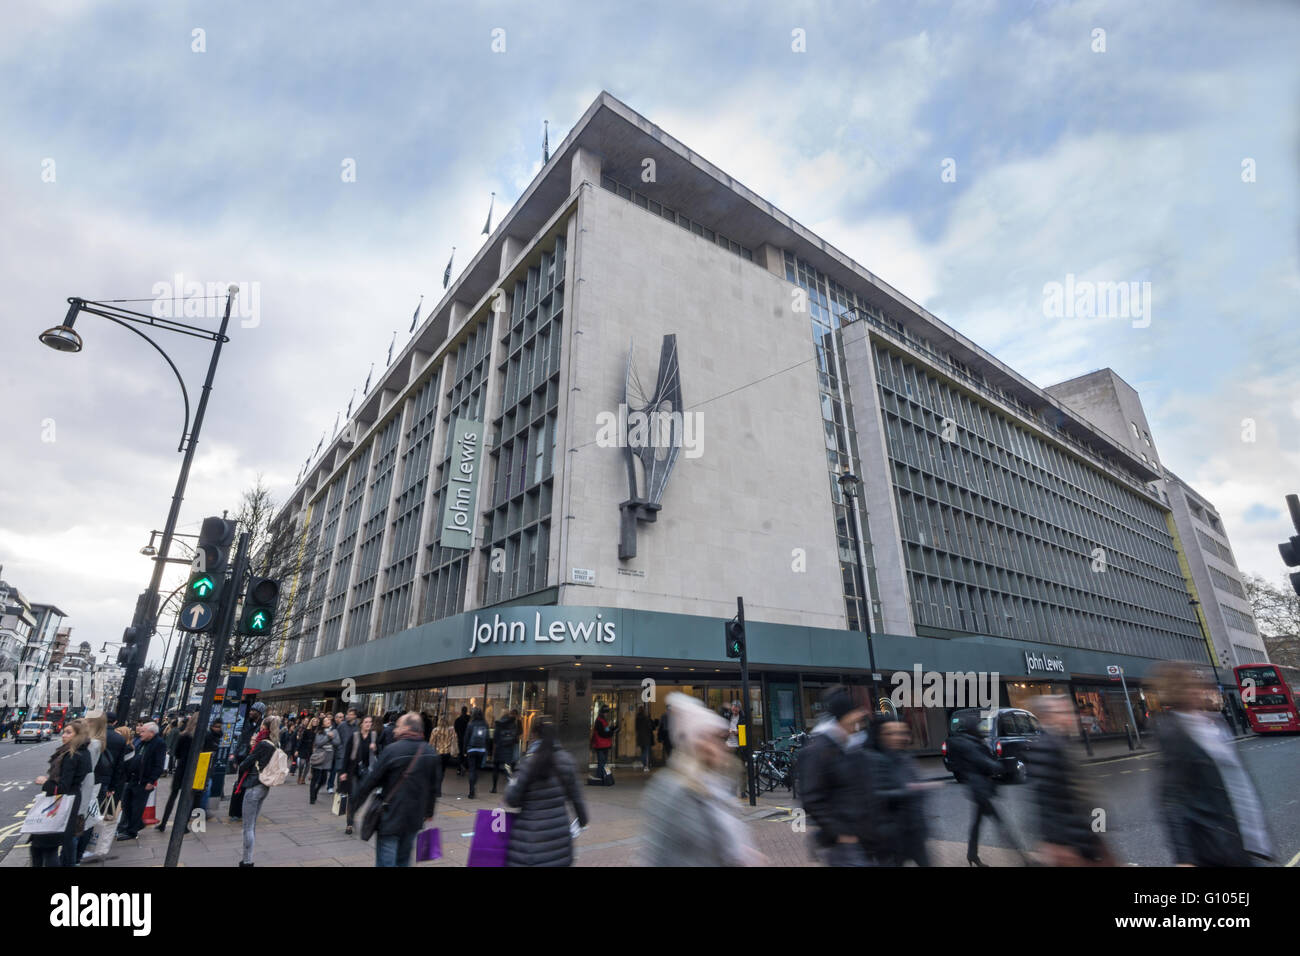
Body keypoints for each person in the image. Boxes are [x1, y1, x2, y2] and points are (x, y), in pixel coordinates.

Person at [1152, 661, 1273, 866]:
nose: (1200, 688)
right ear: (1178, 690)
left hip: (1245, 840)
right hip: (1217, 846)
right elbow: (1171, 799)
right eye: (1191, 684)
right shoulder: (1173, 733)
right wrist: (1184, 858)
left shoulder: (1215, 721)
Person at [640, 693, 760, 866]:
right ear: (695, 744)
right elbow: (658, 854)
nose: (719, 745)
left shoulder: (717, 782)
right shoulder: (673, 789)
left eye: (719, 738)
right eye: (710, 737)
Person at [798, 686, 880, 865]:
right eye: (854, 715)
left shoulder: (850, 746)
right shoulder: (820, 750)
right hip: (844, 845)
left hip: (863, 838)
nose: (858, 720)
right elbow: (811, 798)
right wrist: (840, 834)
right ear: (843, 717)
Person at [1029, 695, 1112, 866]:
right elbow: (1049, 802)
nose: (1071, 716)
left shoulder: (1059, 743)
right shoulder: (1051, 747)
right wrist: (1057, 843)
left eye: (1070, 711)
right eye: (1062, 712)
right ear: (1047, 716)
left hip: (1078, 836)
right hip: (1073, 841)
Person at [354, 712, 439, 867]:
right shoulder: (430, 752)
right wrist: (429, 812)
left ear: (407, 727)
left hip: (390, 817)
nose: (394, 730)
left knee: (387, 861)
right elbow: (434, 788)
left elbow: (371, 781)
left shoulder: (392, 750)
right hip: (414, 818)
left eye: (398, 726)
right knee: (403, 860)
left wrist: (354, 805)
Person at [504, 718, 589, 866]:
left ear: (534, 735)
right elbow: (578, 802)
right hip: (559, 841)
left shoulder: (527, 762)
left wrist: (512, 781)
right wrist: (581, 823)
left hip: (527, 843)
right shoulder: (567, 761)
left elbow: (512, 799)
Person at [945, 710, 1026, 866]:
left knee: (977, 824)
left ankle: (972, 855)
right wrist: (1000, 766)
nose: (980, 729)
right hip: (981, 791)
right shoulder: (970, 745)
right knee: (1001, 824)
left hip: (978, 790)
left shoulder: (968, 742)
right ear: (972, 728)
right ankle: (1023, 858)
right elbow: (984, 763)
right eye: (977, 726)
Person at [867, 715, 934, 866]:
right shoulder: (873, 759)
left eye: (901, 732)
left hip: (914, 834)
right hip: (890, 838)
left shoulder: (905, 758)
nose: (898, 737)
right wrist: (907, 790)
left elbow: (919, 796)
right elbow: (874, 795)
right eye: (890, 733)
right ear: (880, 735)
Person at [31, 720, 93, 867]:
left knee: (45, 846)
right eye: (64, 731)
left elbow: (64, 786)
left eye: (68, 732)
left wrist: (45, 782)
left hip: (61, 802)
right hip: (71, 800)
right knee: (64, 840)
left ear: (78, 735)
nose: (63, 735)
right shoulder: (84, 752)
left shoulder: (72, 755)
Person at [233, 717, 281, 867]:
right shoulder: (275, 743)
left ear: (265, 727)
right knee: (251, 825)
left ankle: (247, 861)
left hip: (254, 785)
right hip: (264, 786)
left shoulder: (262, 744)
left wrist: (251, 748)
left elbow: (245, 764)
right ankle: (247, 858)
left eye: (261, 725)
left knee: (248, 826)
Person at [116, 721, 166, 841]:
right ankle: (134, 824)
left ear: (152, 733)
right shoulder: (142, 742)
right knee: (126, 804)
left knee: (137, 806)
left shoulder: (159, 744)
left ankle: (132, 831)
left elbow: (158, 765)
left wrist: (151, 781)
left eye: (143, 731)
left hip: (143, 781)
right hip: (133, 778)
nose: (140, 732)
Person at [156, 713, 198, 834]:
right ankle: (184, 825)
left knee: (173, 796)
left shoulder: (183, 736)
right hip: (194, 770)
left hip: (181, 768)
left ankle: (163, 823)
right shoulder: (201, 737)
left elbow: (177, 753)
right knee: (188, 798)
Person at [342, 714, 380, 835]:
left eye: (370, 722)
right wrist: (343, 771)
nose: (368, 724)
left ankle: (352, 814)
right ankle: (349, 824)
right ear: (361, 724)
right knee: (353, 796)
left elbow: (379, 753)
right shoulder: (354, 736)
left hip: (367, 771)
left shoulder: (374, 737)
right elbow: (347, 755)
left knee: (362, 796)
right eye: (366, 722)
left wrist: (375, 748)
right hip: (353, 771)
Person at [309, 713, 338, 804]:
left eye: (329, 720)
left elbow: (337, 742)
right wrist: (328, 737)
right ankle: (312, 798)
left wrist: (332, 738)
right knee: (315, 779)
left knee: (323, 780)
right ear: (322, 724)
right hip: (319, 758)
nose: (328, 721)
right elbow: (318, 743)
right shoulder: (319, 731)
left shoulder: (334, 731)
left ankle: (315, 791)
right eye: (326, 721)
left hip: (328, 759)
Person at [490, 708, 521, 794]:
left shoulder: (498, 723)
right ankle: (512, 788)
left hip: (499, 748)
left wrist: (494, 748)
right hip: (508, 749)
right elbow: (515, 737)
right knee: (508, 769)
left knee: (495, 768)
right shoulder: (513, 724)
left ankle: (494, 788)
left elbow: (495, 738)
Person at [463, 708, 489, 798]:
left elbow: (466, 738)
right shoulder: (485, 724)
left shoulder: (470, 724)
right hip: (481, 750)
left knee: (471, 770)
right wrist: (487, 750)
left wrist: (464, 750)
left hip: (471, 749)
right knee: (477, 770)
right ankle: (474, 785)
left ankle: (471, 791)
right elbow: (487, 738)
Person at [589, 705, 617, 785]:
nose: (607, 714)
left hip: (604, 745)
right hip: (601, 745)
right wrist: (612, 732)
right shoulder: (599, 721)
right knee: (602, 762)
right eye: (606, 712)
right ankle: (600, 777)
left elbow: (605, 731)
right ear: (603, 712)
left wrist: (612, 729)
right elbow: (602, 733)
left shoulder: (603, 721)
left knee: (603, 762)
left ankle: (601, 777)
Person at [331, 709, 357, 795]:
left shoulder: (358, 726)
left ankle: (347, 792)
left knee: (350, 774)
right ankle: (340, 792)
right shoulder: (342, 725)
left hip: (353, 754)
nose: (348, 716)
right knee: (341, 773)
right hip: (342, 754)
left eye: (351, 714)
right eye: (348, 714)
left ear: (355, 716)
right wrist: (339, 748)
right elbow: (336, 737)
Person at [430, 713, 457, 792]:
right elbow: (454, 741)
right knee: (443, 770)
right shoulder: (451, 730)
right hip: (447, 753)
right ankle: (439, 787)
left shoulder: (435, 730)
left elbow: (431, 743)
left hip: (437, 752)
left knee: (437, 769)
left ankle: (437, 788)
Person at [296, 717, 317, 784]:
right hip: (303, 748)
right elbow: (301, 740)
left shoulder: (317, 731)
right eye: (314, 721)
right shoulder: (307, 730)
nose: (315, 722)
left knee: (308, 765)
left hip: (310, 749)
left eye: (316, 721)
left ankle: (303, 778)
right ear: (311, 722)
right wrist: (297, 750)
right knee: (302, 764)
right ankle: (299, 776)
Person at [635, 705, 655, 772]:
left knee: (643, 750)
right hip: (646, 737)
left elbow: (636, 728)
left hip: (640, 737)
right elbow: (650, 727)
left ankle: (644, 764)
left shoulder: (637, 718)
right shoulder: (646, 718)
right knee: (646, 751)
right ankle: (645, 764)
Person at [453, 706, 470, 775]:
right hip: (467, 739)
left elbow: (455, 729)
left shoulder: (458, 719)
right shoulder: (469, 719)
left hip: (460, 738)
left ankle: (459, 769)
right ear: (466, 711)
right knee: (466, 753)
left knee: (460, 754)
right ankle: (464, 765)